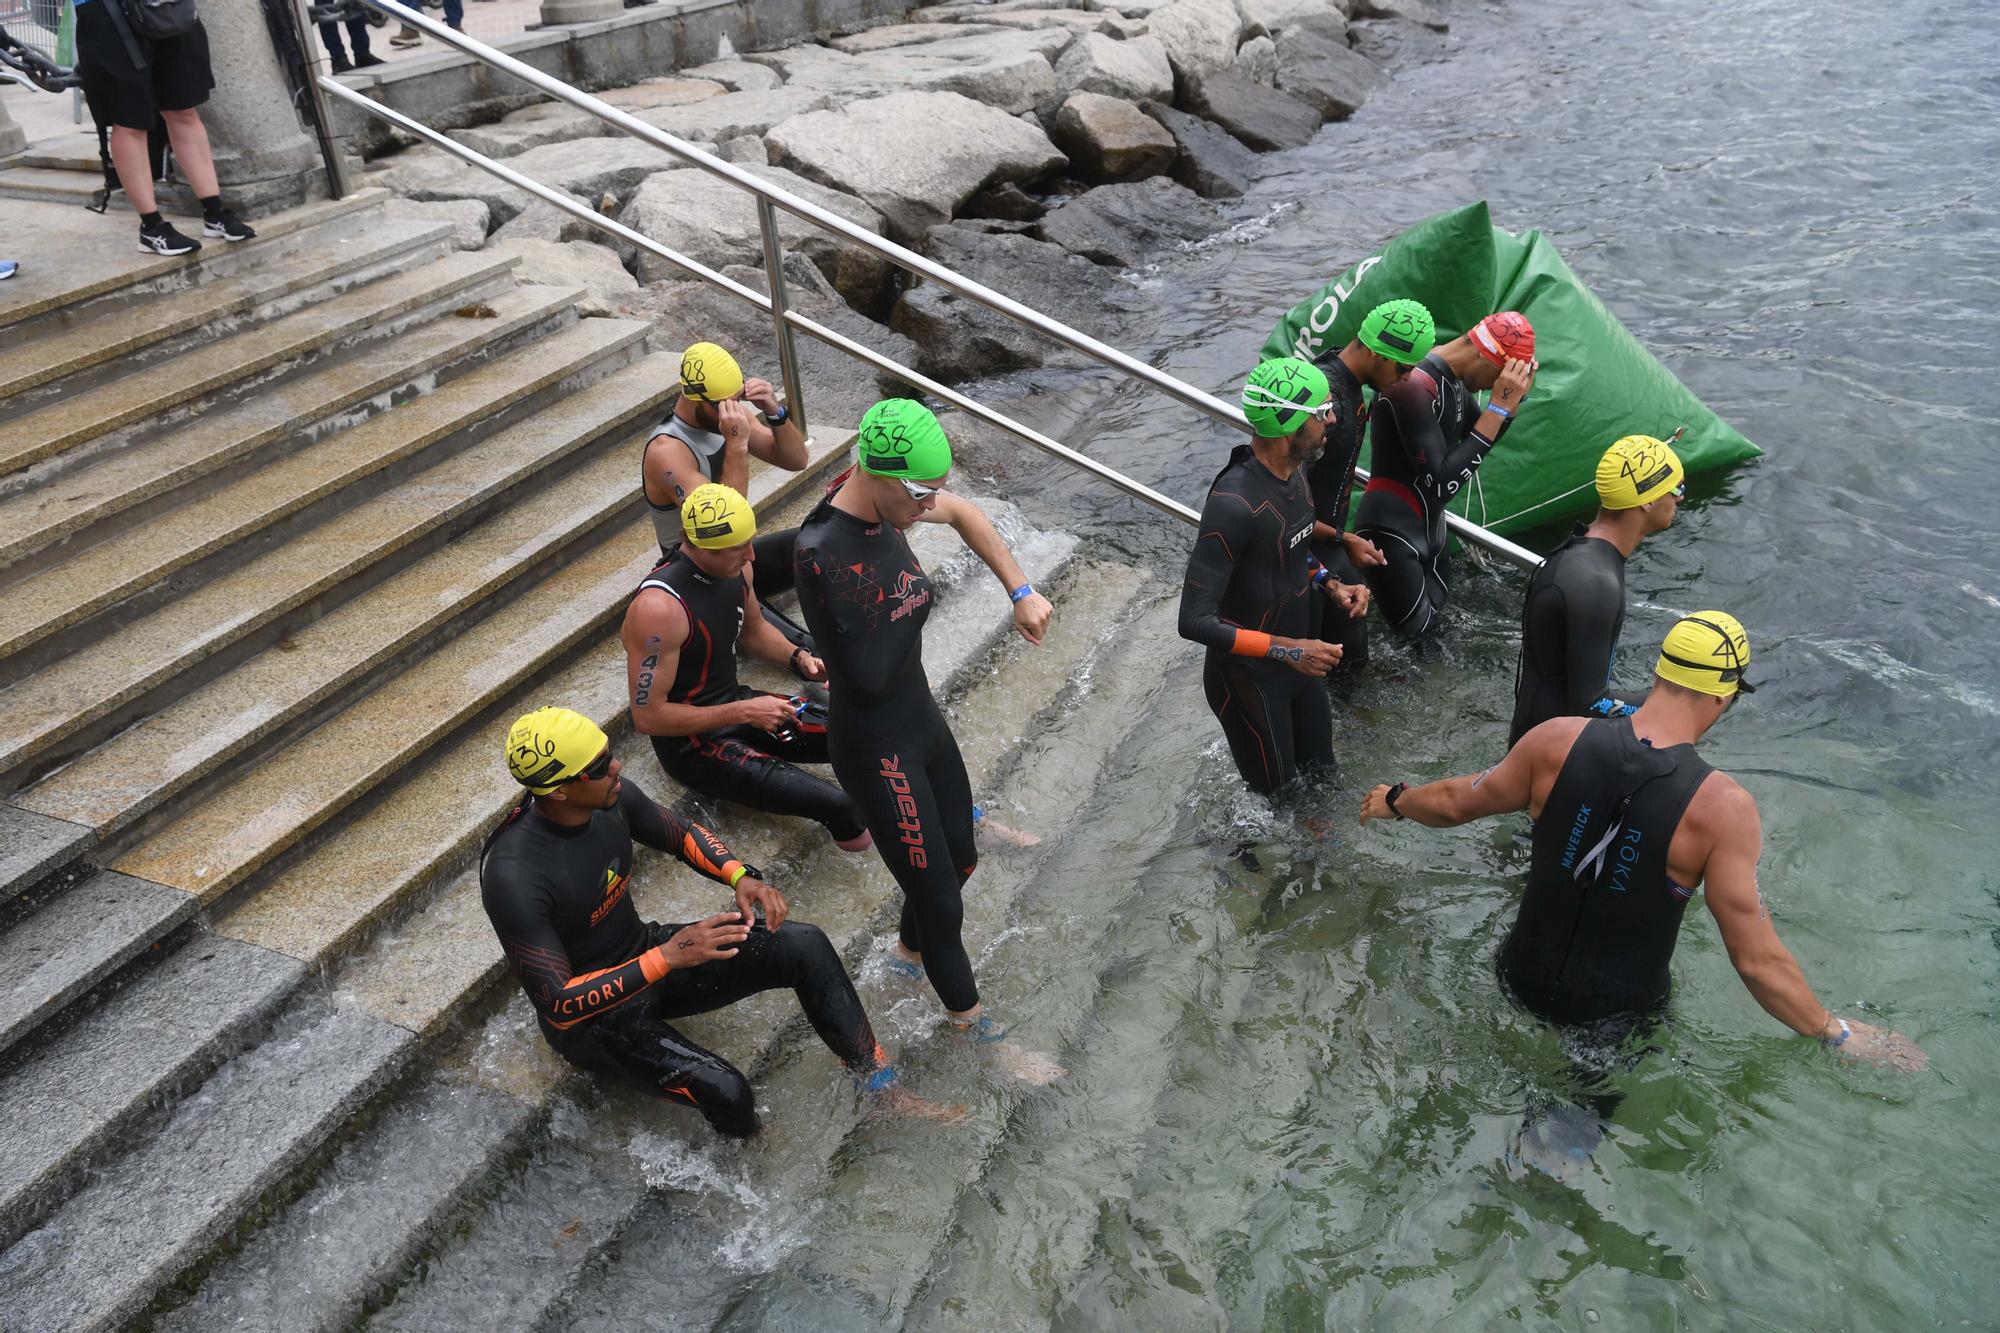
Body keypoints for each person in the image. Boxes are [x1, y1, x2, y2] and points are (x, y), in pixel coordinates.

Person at [1359, 613, 1928, 1071]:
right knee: (1561, 1163)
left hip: (1516, 980)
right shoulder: (1723, 809)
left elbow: (1459, 800)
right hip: (1613, 1027)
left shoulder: (1555, 740)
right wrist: (1834, 1030)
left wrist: (1395, 799)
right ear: (1724, 697)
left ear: (1657, 675)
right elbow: (1755, 959)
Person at [479, 706, 957, 1137]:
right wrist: (668, 956)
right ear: (560, 790)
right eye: (600, 766)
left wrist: (740, 875)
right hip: (595, 1019)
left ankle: (880, 1088)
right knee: (728, 1091)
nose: (618, 767)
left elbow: (680, 833)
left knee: (803, 945)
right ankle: (754, 1156)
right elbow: (559, 1002)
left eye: (611, 753)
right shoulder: (513, 875)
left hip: (647, 953)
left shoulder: (610, 796)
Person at [792, 399, 1056, 1067]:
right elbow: (869, 673)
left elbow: (966, 513)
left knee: (961, 858)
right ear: (872, 472)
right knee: (940, 897)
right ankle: (984, 1036)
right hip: (875, 747)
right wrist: (908, 599)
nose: (929, 505)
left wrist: (1019, 589)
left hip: (921, 723)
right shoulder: (821, 554)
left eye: (932, 490)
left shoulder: (891, 505)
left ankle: (907, 954)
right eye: (919, 494)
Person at [622, 482, 871, 852]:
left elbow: (753, 631)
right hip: (693, 746)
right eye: (739, 548)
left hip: (739, 705)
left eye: (750, 542)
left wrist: (798, 658)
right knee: (840, 805)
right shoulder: (658, 610)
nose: (752, 555)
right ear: (701, 547)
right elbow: (648, 717)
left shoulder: (737, 570)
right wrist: (746, 710)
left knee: (867, 739)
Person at [1178, 358, 1359, 794]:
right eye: (1321, 413)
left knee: (1325, 783)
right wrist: (1289, 650)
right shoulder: (1232, 504)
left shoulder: (1295, 473)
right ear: (1287, 423)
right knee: (1277, 804)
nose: (1332, 420)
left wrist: (1330, 583)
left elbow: (1291, 552)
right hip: (1247, 681)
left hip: (1297, 665)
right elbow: (1194, 621)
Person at [1351, 311, 1537, 640]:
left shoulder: (1452, 380)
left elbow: (1479, 439)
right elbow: (1440, 484)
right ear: (1484, 354)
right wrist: (1497, 407)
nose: (1497, 385)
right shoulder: (1410, 385)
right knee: (1418, 649)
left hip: (1431, 530)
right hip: (1392, 533)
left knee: (1436, 642)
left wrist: (1509, 405)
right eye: (1499, 376)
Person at [1508, 433, 1685, 745]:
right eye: (1676, 488)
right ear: (1647, 500)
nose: (1680, 497)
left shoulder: (1584, 556)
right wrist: (1681, 701)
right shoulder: (1595, 582)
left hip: (1538, 735)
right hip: (1549, 758)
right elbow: (1591, 702)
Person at [1305, 298, 1439, 673]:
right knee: (1338, 678)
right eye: (1404, 366)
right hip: (1305, 562)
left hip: (1327, 549)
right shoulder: (1327, 405)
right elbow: (1279, 503)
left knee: (1351, 671)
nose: (1409, 377)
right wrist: (1342, 540)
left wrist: (1342, 541)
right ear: (1378, 354)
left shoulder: (1345, 385)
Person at [71, 0, 255, 255]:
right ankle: (151, 226)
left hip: (168, 6)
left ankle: (215, 212)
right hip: (106, 10)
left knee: (183, 107)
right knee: (129, 119)